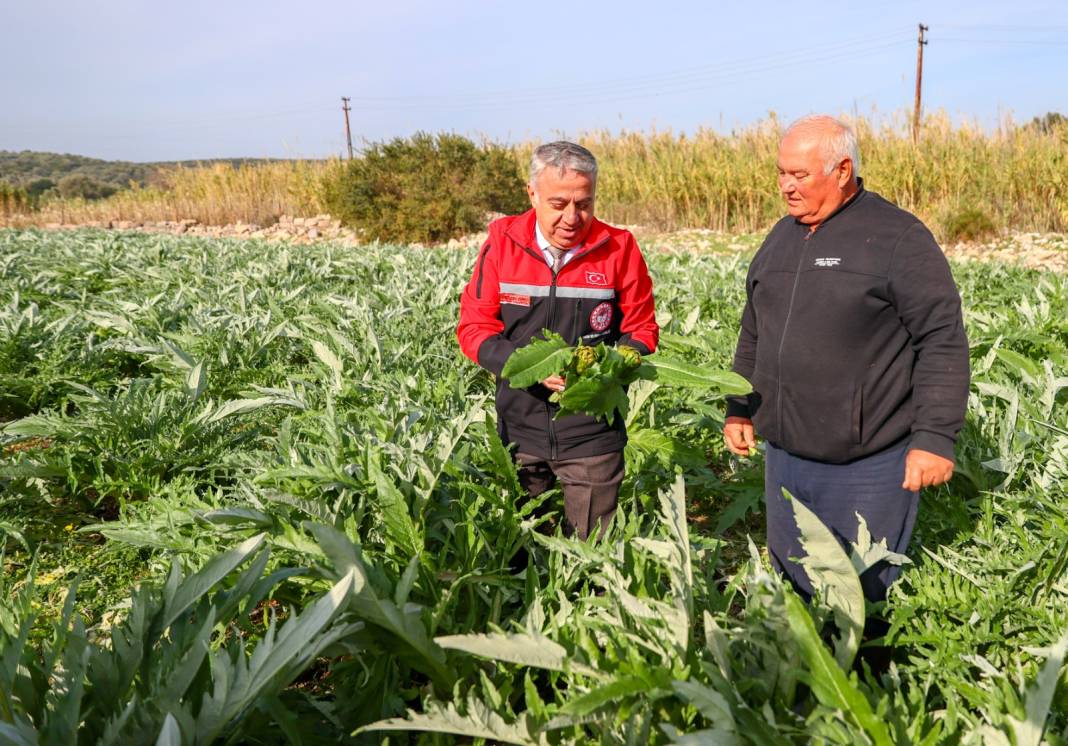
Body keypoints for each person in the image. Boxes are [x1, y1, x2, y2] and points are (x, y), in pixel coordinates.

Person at [723, 115, 969, 603]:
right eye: (781, 173)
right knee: (792, 589)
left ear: (841, 170)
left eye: (800, 175)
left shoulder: (897, 237)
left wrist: (935, 437)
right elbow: (755, 328)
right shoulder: (782, 236)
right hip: (784, 456)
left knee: (861, 596)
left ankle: (863, 680)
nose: (786, 187)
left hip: (867, 462)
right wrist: (738, 405)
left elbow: (942, 337)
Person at [457, 141, 659, 540]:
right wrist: (530, 369)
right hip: (519, 428)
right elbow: (474, 328)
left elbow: (642, 330)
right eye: (558, 203)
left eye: (584, 203)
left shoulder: (619, 248)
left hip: (592, 433)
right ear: (531, 193)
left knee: (591, 555)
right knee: (520, 550)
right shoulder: (503, 244)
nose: (572, 217)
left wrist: (605, 368)